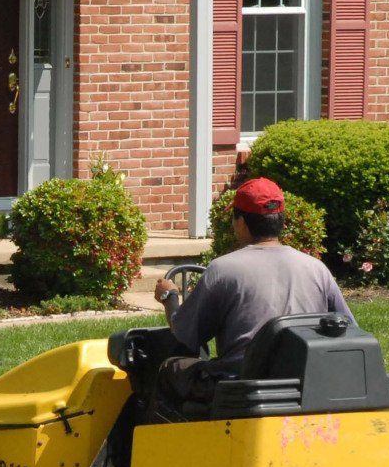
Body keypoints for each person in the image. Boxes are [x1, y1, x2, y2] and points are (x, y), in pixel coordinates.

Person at [150, 177, 356, 416]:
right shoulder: (316, 269)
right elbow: (347, 329)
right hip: (304, 382)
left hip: (240, 384)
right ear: (281, 221)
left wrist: (169, 297)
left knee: (169, 369)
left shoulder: (223, 270)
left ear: (242, 223)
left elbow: (186, 335)